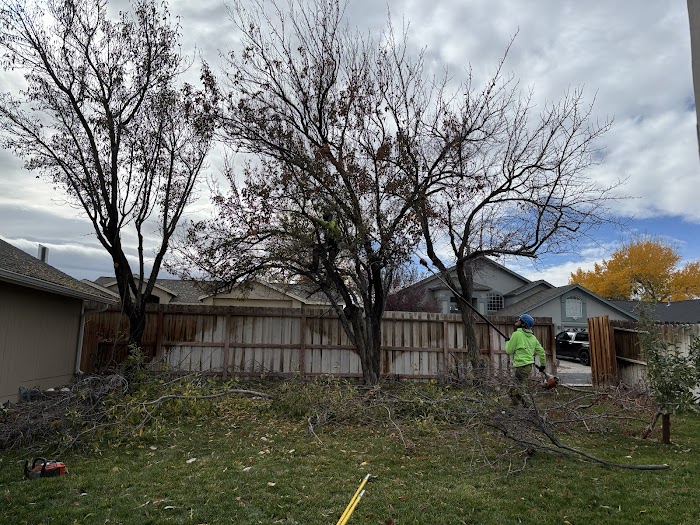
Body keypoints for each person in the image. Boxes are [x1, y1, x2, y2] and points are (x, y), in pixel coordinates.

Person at [505, 313, 546, 406]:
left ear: (523, 324)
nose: (517, 320)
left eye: (520, 320)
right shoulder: (533, 338)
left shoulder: (517, 334)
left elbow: (508, 350)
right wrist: (543, 365)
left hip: (521, 367)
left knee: (518, 390)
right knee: (515, 389)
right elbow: (541, 352)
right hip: (528, 367)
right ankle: (515, 407)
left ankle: (530, 408)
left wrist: (507, 342)